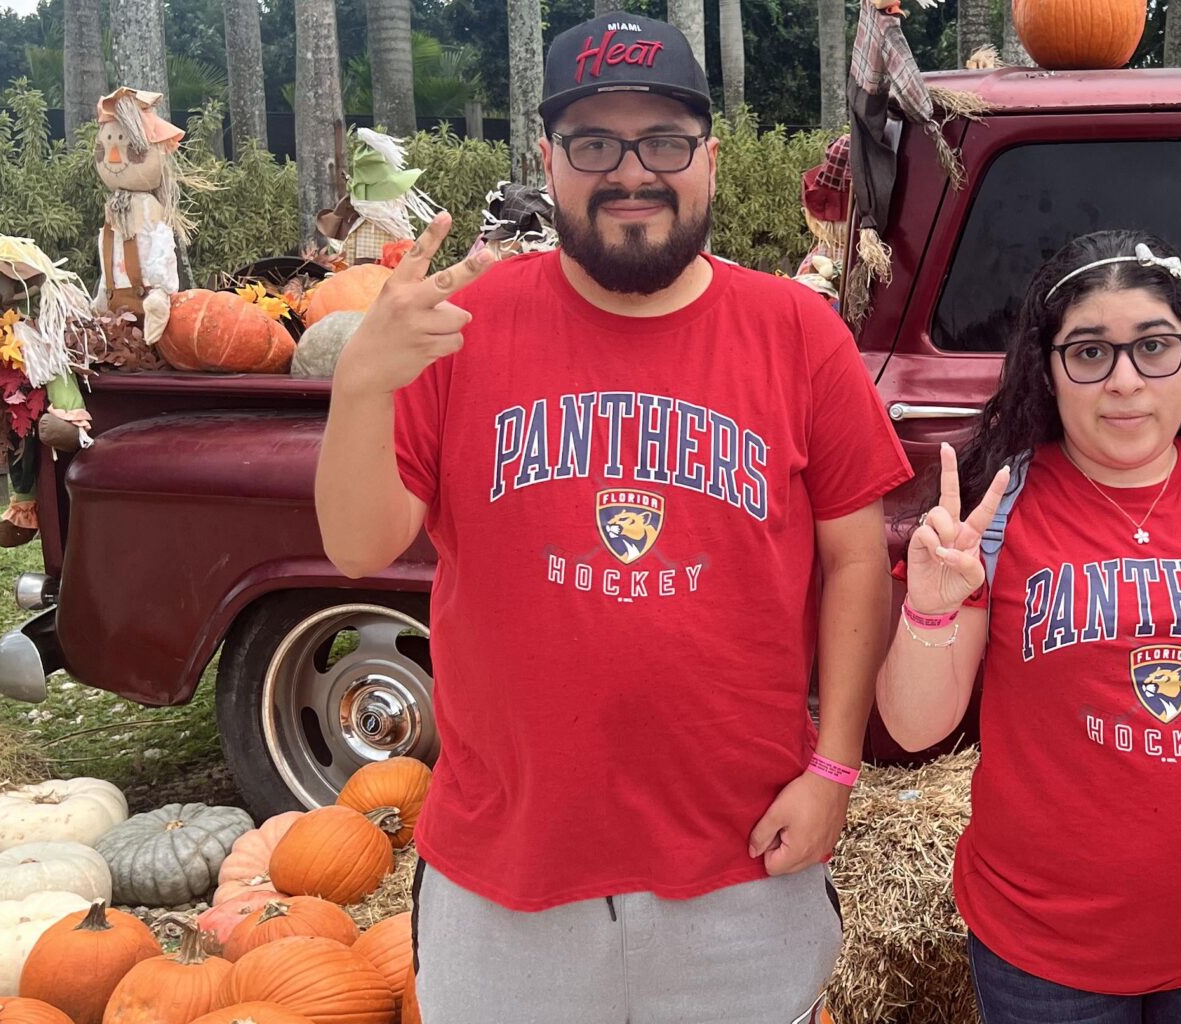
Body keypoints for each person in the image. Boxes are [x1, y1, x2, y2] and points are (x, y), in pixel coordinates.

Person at [314, 12, 912, 1022]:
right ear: (548, 159)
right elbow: (357, 545)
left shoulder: (796, 332)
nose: (632, 173)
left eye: (664, 142)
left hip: (744, 869)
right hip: (506, 880)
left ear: (710, 159)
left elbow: (856, 562)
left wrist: (834, 768)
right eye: (594, 143)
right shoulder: (462, 328)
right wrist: (363, 383)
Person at [876, 229, 1181, 1022]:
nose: (1124, 380)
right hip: (1045, 952)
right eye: (1089, 353)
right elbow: (913, 726)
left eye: (1153, 346)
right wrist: (930, 607)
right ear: (1048, 369)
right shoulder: (998, 514)